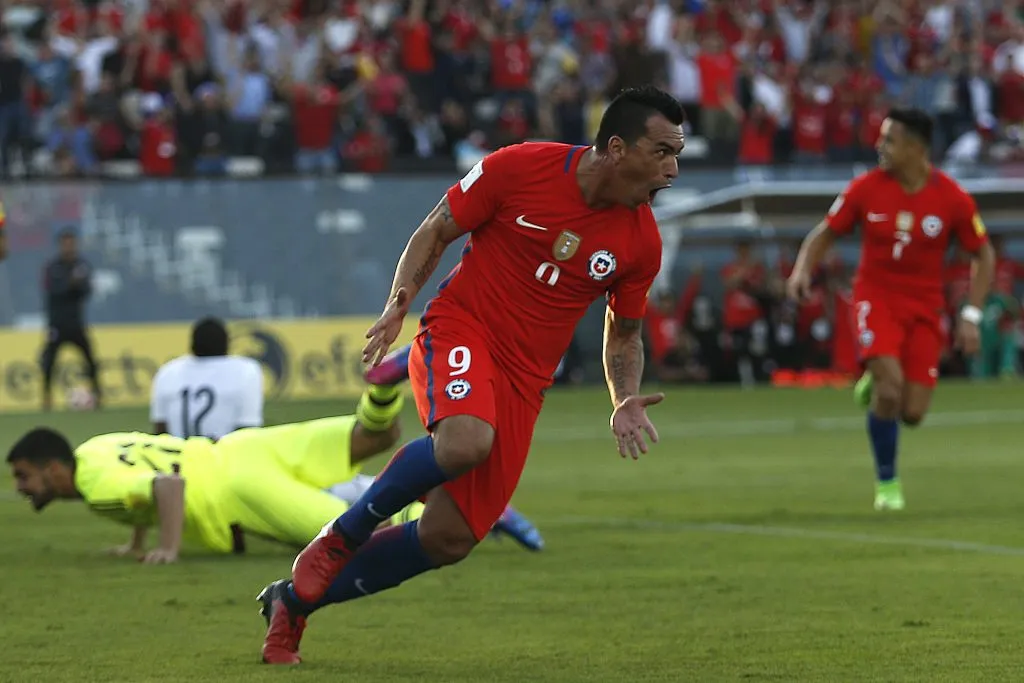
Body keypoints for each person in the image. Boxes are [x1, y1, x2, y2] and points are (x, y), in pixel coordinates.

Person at [258, 85, 683, 665]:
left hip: (524, 383)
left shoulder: (641, 243)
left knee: (449, 539)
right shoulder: (521, 167)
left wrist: (624, 397)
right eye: (661, 151)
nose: (672, 168)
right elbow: (436, 228)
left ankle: (292, 605)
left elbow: (625, 334)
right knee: (465, 440)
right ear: (616, 147)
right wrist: (399, 300)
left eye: (676, 153)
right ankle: (340, 537)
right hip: (462, 331)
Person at [149, 317, 544, 551]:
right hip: (249, 459)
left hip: (211, 476)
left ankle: (466, 513)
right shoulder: (242, 370)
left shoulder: (168, 373)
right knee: (364, 464)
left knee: (349, 522)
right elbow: (245, 433)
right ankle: (383, 391)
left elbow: (160, 435)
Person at [786, 108, 995, 511]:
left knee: (913, 412)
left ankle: (874, 378)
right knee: (891, 389)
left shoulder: (952, 198)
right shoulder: (865, 188)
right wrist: (801, 272)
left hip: (925, 309)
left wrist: (971, 315)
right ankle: (887, 484)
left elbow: (982, 254)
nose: (880, 146)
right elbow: (824, 234)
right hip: (875, 299)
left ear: (916, 149)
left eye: (890, 140)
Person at [151, 317, 264, 440]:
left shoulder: (168, 371)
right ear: (226, 344)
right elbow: (248, 430)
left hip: (179, 456)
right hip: (223, 456)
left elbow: (160, 430)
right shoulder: (246, 370)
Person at [40, 227, 101, 411]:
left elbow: (87, 291)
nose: (69, 246)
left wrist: (76, 285)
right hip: (57, 324)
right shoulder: (53, 267)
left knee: (90, 359)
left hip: (76, 323)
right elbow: (52, 290)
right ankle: (46, 398)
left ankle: (98, 395)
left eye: (71, 242)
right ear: (60, 245)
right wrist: (70, 284)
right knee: (49, 362)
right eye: (65, 243)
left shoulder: (81, 265)